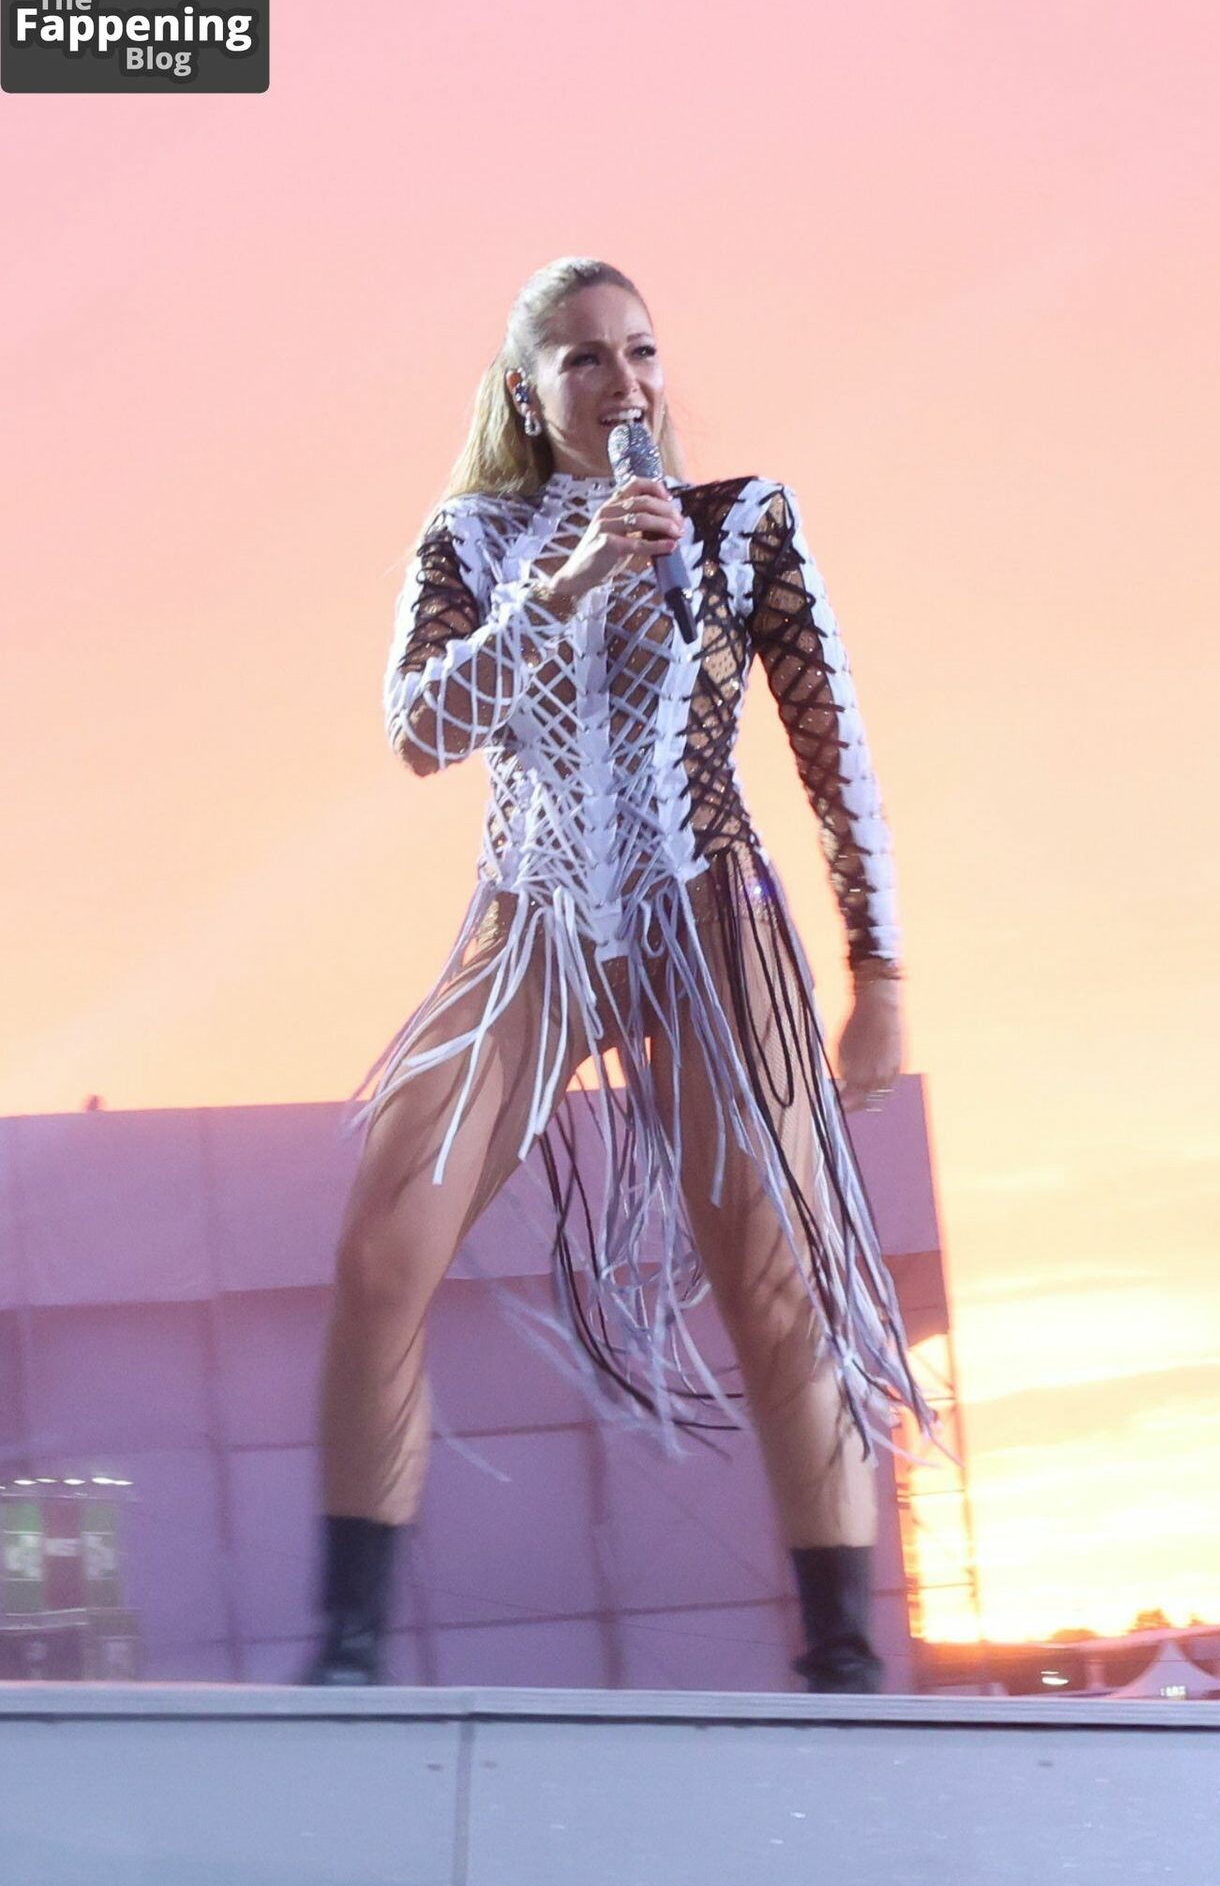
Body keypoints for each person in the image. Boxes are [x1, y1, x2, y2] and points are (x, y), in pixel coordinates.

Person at [302, 256, 948, 1695]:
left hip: (707, 909)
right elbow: (421, 730)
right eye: (585, 357)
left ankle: (844, 1660)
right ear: (527, 391)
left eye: (642, 351)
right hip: (533, 924)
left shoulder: (741, 523)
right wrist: (570, 578)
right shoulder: (472, 539)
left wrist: (881, 971)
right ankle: (347, 1654)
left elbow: (834, 758)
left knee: (773, 1282)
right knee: (382, 1248)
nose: (623, 381)